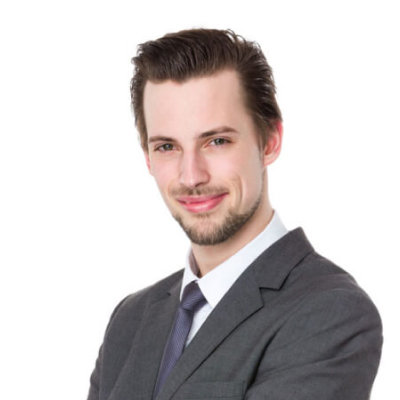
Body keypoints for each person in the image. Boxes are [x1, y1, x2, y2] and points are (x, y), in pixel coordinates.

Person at [87, 28, 382, 400]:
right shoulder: (129, 319)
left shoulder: (330, 311)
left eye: (217, 141)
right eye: (167, 147)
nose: (191, 176)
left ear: (269, 141)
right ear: (147, 156)